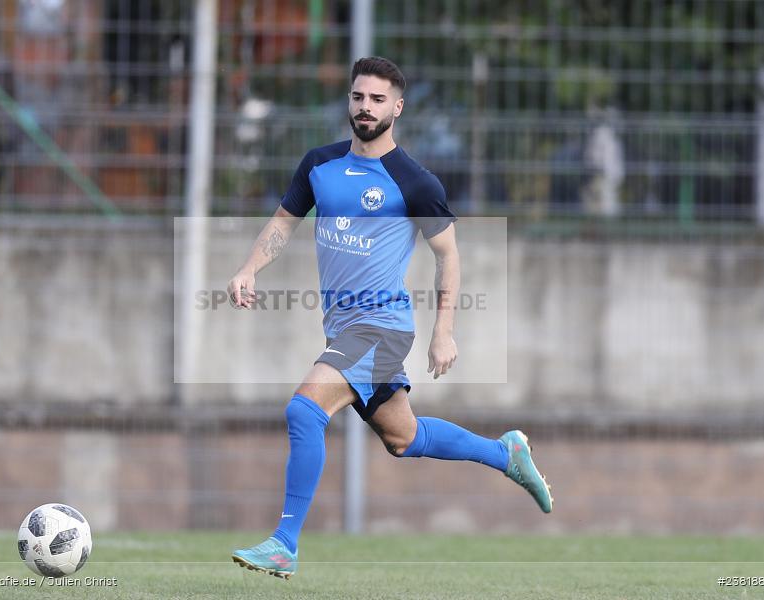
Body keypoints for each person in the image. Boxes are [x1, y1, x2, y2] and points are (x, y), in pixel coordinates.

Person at [228, 57, 552, 580]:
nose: (365, 107)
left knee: (304, 411)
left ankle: (284, 544)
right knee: (405, 438)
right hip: (343, 328)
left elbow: (449, 256)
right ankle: (505, 452)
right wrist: (248, 269)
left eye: (377, 100)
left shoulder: (415, 182)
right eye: (358, 97)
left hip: (381, 327)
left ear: (397, 108)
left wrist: (444, 332)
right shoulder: (319, 165)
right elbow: (284, 224)